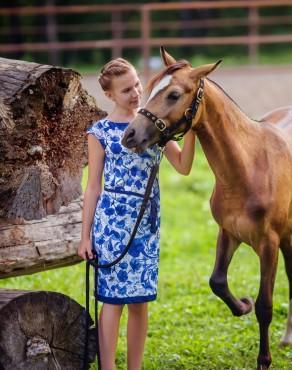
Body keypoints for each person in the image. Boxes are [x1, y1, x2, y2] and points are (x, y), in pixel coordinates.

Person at [77, 58, 195, 370]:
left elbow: (183, 166)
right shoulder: (99, 132)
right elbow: (92, 188)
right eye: (127, 89)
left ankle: (135, 367)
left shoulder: (156, 126)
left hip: (146, 226)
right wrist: (85, 236)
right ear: (110, 95)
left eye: (137, 85)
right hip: (112, 226)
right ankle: (109, 367)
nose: (135, 93)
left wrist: (192, 126)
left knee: (140, 302)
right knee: (113, 302)